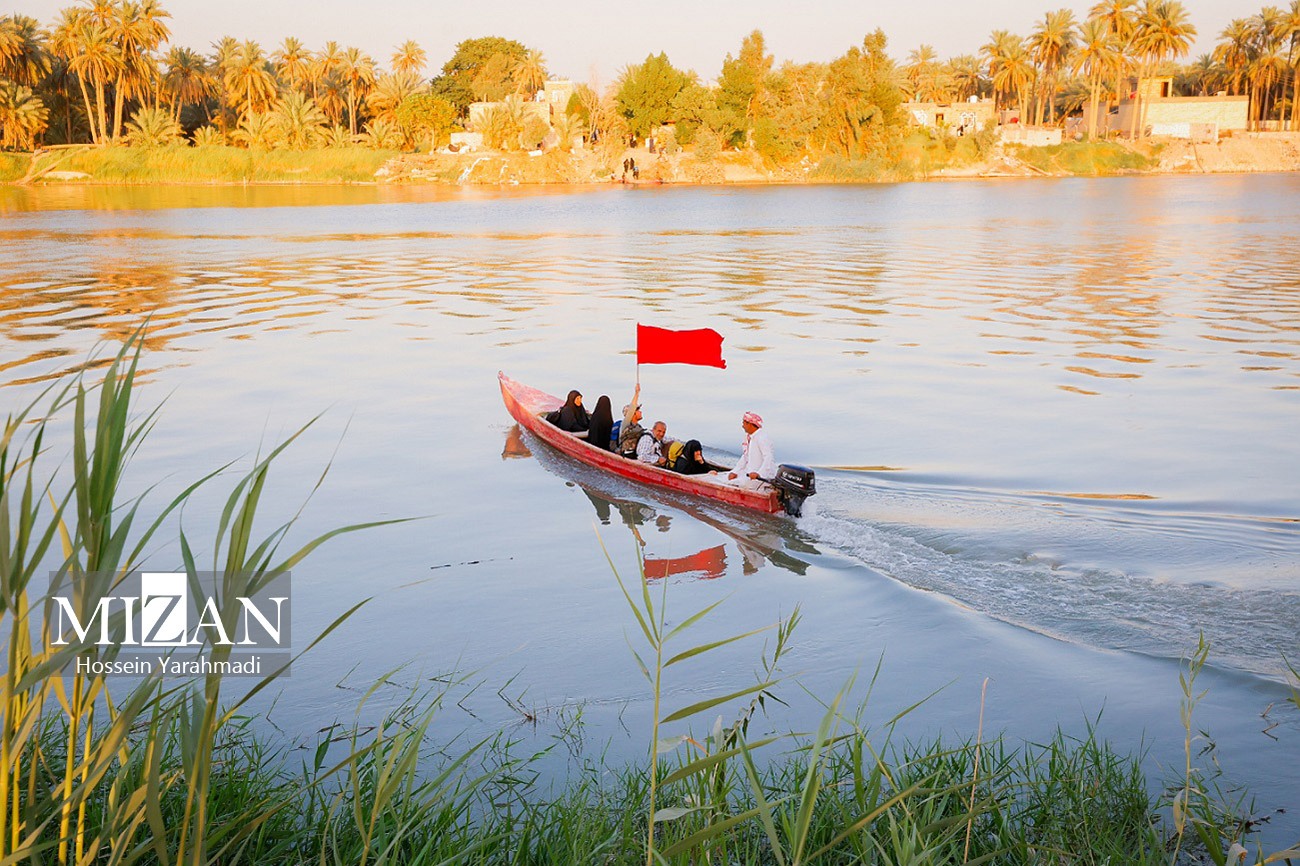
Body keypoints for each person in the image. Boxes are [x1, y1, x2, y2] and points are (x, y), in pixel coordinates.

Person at [728, 411, 776, 488]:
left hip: (762, 478)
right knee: (723, 478)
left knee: (731, 484)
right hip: (749, 474)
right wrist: (735, 471)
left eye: (744, 423)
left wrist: (759, 474)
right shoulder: (749, 437)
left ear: (749, 424)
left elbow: (768, 457)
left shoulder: (762, 437)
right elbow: (745, 457)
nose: (742, 426)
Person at [616, 384, 645, 456]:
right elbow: (632, 408)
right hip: (626, 455)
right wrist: (636, 393)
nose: (640, 412)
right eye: (638, 410)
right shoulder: (626, 424)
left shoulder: (638, 427)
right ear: (633, 413)